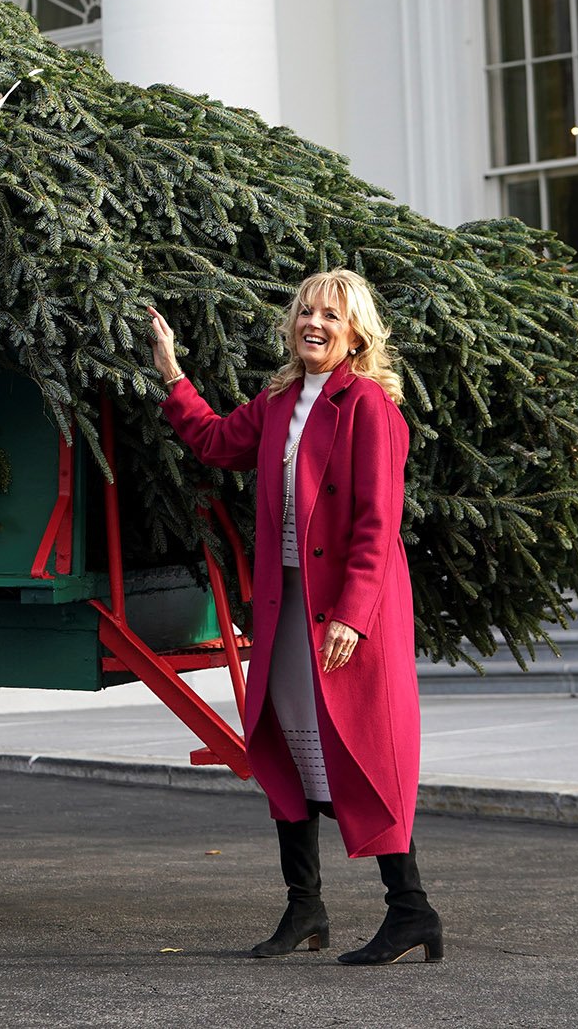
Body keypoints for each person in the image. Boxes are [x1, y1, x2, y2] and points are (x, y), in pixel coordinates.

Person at [147, 269, 440, 967]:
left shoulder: (371, 406)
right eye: (305, 311)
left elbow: (378, 523)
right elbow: (217, 441)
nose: (313, 323)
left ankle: (412, 909)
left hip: (340, 612)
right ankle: (304, 905)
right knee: (288, 748)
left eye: (330, 316)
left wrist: (354, 614)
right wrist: (171, 373)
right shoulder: (281, 399)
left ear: (356, 332)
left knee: (363, 754)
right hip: (286, 607)